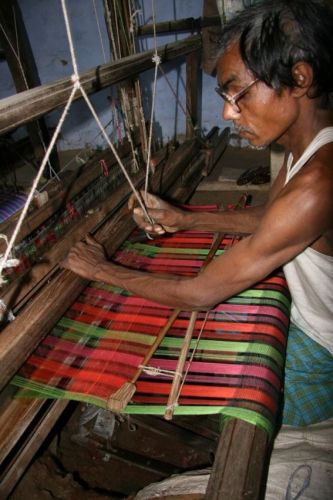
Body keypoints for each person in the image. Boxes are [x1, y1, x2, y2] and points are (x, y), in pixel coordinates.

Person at [63, 0, 333, 459]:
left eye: (237, 93)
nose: (228, 114)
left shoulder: (319, 183)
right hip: (312, 316)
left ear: (299, 79)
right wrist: (186, 218)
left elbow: (199, 293)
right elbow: (272, 220)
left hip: (323, 344)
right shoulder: (311, 145)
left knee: (243, 411)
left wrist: (101, 270)